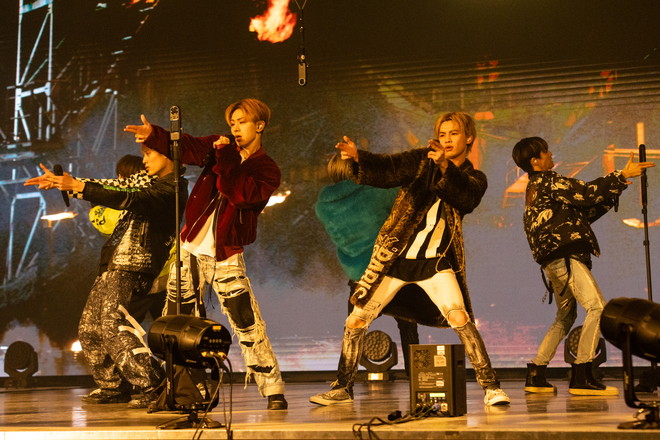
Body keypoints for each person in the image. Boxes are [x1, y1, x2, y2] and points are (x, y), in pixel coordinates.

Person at [310, 112, 510, 407]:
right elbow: (389, 169)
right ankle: (342, 387)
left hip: (436, 262)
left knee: (459, 316)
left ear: (469, 137)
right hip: (396, 259)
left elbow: (466, 198)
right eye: (442, 134)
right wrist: (359, 157)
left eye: (454, 133)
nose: (447, 140)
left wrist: (444, 168)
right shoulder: (421, 161)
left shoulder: (473, 179)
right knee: (356, 320)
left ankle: (491, 387)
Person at [123, 98, 288, 410]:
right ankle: (184, 391)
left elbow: (240, 194)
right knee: (177, 323)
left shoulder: (266, 169)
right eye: (232, 123)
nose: (235, 129)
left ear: (259, 126)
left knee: (246, 322)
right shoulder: (218, 146)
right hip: (190, 250)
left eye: (242, 122)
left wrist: (226, 156)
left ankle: (273, 387)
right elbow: (187, 146)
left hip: (225, 255)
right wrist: (155, 135)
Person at [24, 144, 187, 408]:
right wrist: (70, 184)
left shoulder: (169, 188)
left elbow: (124, 194)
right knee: (89, 328)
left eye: (149, 153)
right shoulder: (144, 182)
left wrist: (77, 185)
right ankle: (113, 385)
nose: (144, 160)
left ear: (168, 155)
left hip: (135, 263)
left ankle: (154, 383)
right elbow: (113, 185)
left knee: (114, 324)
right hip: (114, 262)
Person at [512, 136, 655, 395]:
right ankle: (582, 374)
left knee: (565, 317)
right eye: (545, 152)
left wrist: (616, 188)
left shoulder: (535, 189)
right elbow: (586, 193)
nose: (550, 154)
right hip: (564, 257)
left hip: (553, 261)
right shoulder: (548, 180)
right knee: (597, 307)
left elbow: (583, 212)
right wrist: (621, 175)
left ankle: (536, 373)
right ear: (535, 161)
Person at [315, 153, 420, 376]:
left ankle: (344, 382)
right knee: (408, 328)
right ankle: (416, 379)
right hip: (389, 270)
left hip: (358, 276)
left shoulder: (324, 207)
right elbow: (409, 202)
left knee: (352, 333)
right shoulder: (377, 192)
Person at [87, 154, 168, 323]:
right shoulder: (159, 197)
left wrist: (94, 205)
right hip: (166, 276)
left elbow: (105, 222)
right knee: (169, 326)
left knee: (121, 327)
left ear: (121, 177)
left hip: (137, 277)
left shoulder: (127, 206)